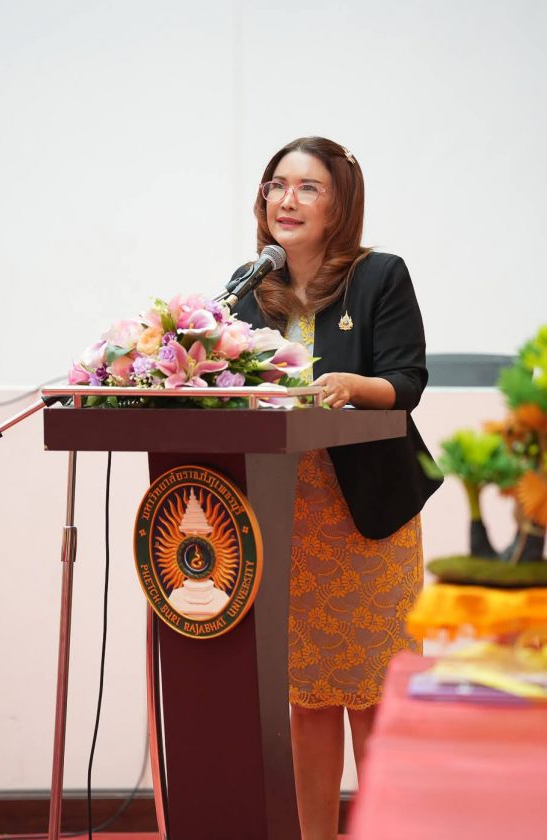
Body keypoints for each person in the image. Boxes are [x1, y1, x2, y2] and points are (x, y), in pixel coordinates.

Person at [235, 136, 442, 840]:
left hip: (368, 514)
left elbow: (407, 382)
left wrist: (353, 385)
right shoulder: (249, 286)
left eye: (307, 187)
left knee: (375, 697)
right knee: (309, 697)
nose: (286, 200)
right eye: (276, 185)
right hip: (286, 517)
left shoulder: (379, 276)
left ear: (340, 203)